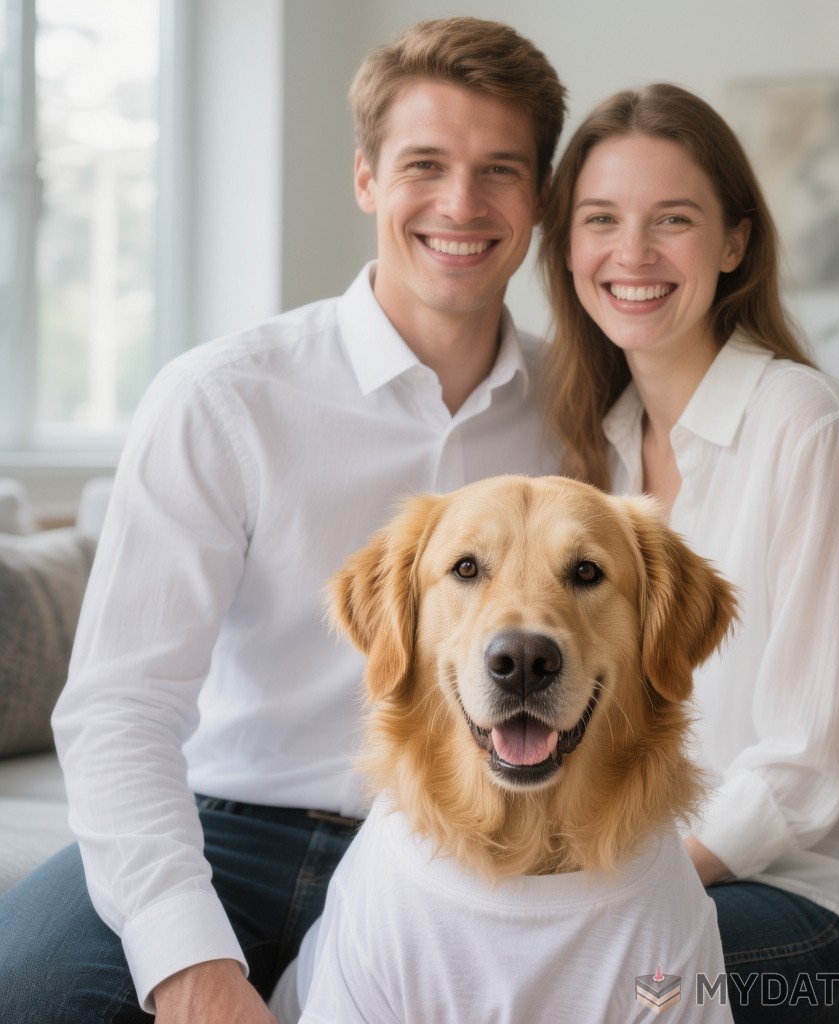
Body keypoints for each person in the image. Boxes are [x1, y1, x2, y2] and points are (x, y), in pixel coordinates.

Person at [0, 17, 566, 1024]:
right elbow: (120, 707)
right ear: (365, 178)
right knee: (34, 989)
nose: (460, 204)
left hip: (474, 839)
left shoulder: (581, 410)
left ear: (540, 199)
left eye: (500, 171)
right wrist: (187, 963)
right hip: (228, 830)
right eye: (424, 164)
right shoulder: (225, 396)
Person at [539, 82, 839, 1022]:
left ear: (735, 243)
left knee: (583, 984)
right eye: (602, 220)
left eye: (672, 220)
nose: (632, 254)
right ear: (569, 247)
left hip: (806, 899)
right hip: (643, 862)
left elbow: (806, 766)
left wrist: (612, 889)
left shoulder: (807, 426)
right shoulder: (596, 450)